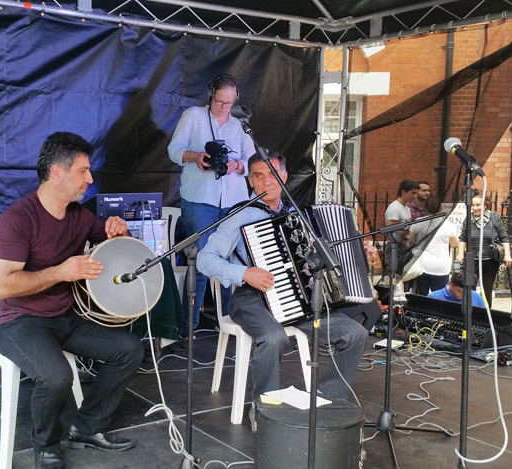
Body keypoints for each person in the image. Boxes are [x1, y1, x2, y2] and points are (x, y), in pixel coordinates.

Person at [0, 132, 143, 469]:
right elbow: (2, 286)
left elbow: (118, 247)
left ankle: (85, 427)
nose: (90, 178)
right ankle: (44, 445)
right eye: (83, 171)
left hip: (64, 317)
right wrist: (61, 272)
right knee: (58, 376)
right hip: (20, 322)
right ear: (57, 173)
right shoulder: (17, 219)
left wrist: (122, 230)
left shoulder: (79, 215)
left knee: (129, 349)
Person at [197, 150, 368, 431]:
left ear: (284, 177)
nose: (266, 182)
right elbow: (205, 259)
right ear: (250, 181)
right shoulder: (240, 215)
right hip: (251, 298)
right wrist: (244, 273)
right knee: (274, 338)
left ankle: (326, 402)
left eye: (272, 175)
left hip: (294, 298)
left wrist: (361, 255)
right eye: (258, 176)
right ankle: (266, 412)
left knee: (354, 333)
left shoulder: (299, 216)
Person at [168, 74, 256, 337]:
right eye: (220, 101)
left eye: (229, 103)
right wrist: (196, 157)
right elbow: (174, 150)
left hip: (233, 202)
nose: (224, 107)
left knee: (231, 261)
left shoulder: (239, 124)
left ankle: (230, 321)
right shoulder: (194, 116)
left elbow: (253, 161)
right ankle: (188, 326)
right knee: (205, 259)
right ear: (211, 95)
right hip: (200, 199)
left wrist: (237, 166)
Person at [456, 193, 512, 307]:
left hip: (490, 259)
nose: (475, 208)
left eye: (478, 205)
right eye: (473, 205)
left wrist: (507, 254)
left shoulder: (494, 217)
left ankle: (485, 313)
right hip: (472, 259)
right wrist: (460, 253)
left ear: (485, 205)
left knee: (486, 289)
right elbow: (463, 237)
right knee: (469, 288)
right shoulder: (469, 219)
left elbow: (504, 237)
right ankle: (469, 313)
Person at [409, 196, 459, 294]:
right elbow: (454, 243)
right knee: (440, 298)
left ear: (425, 207)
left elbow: (411, 241)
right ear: (440, 207)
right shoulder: (449, 225)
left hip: (422, 266)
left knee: (421, 297)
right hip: (441, 267)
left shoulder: (418, 222)